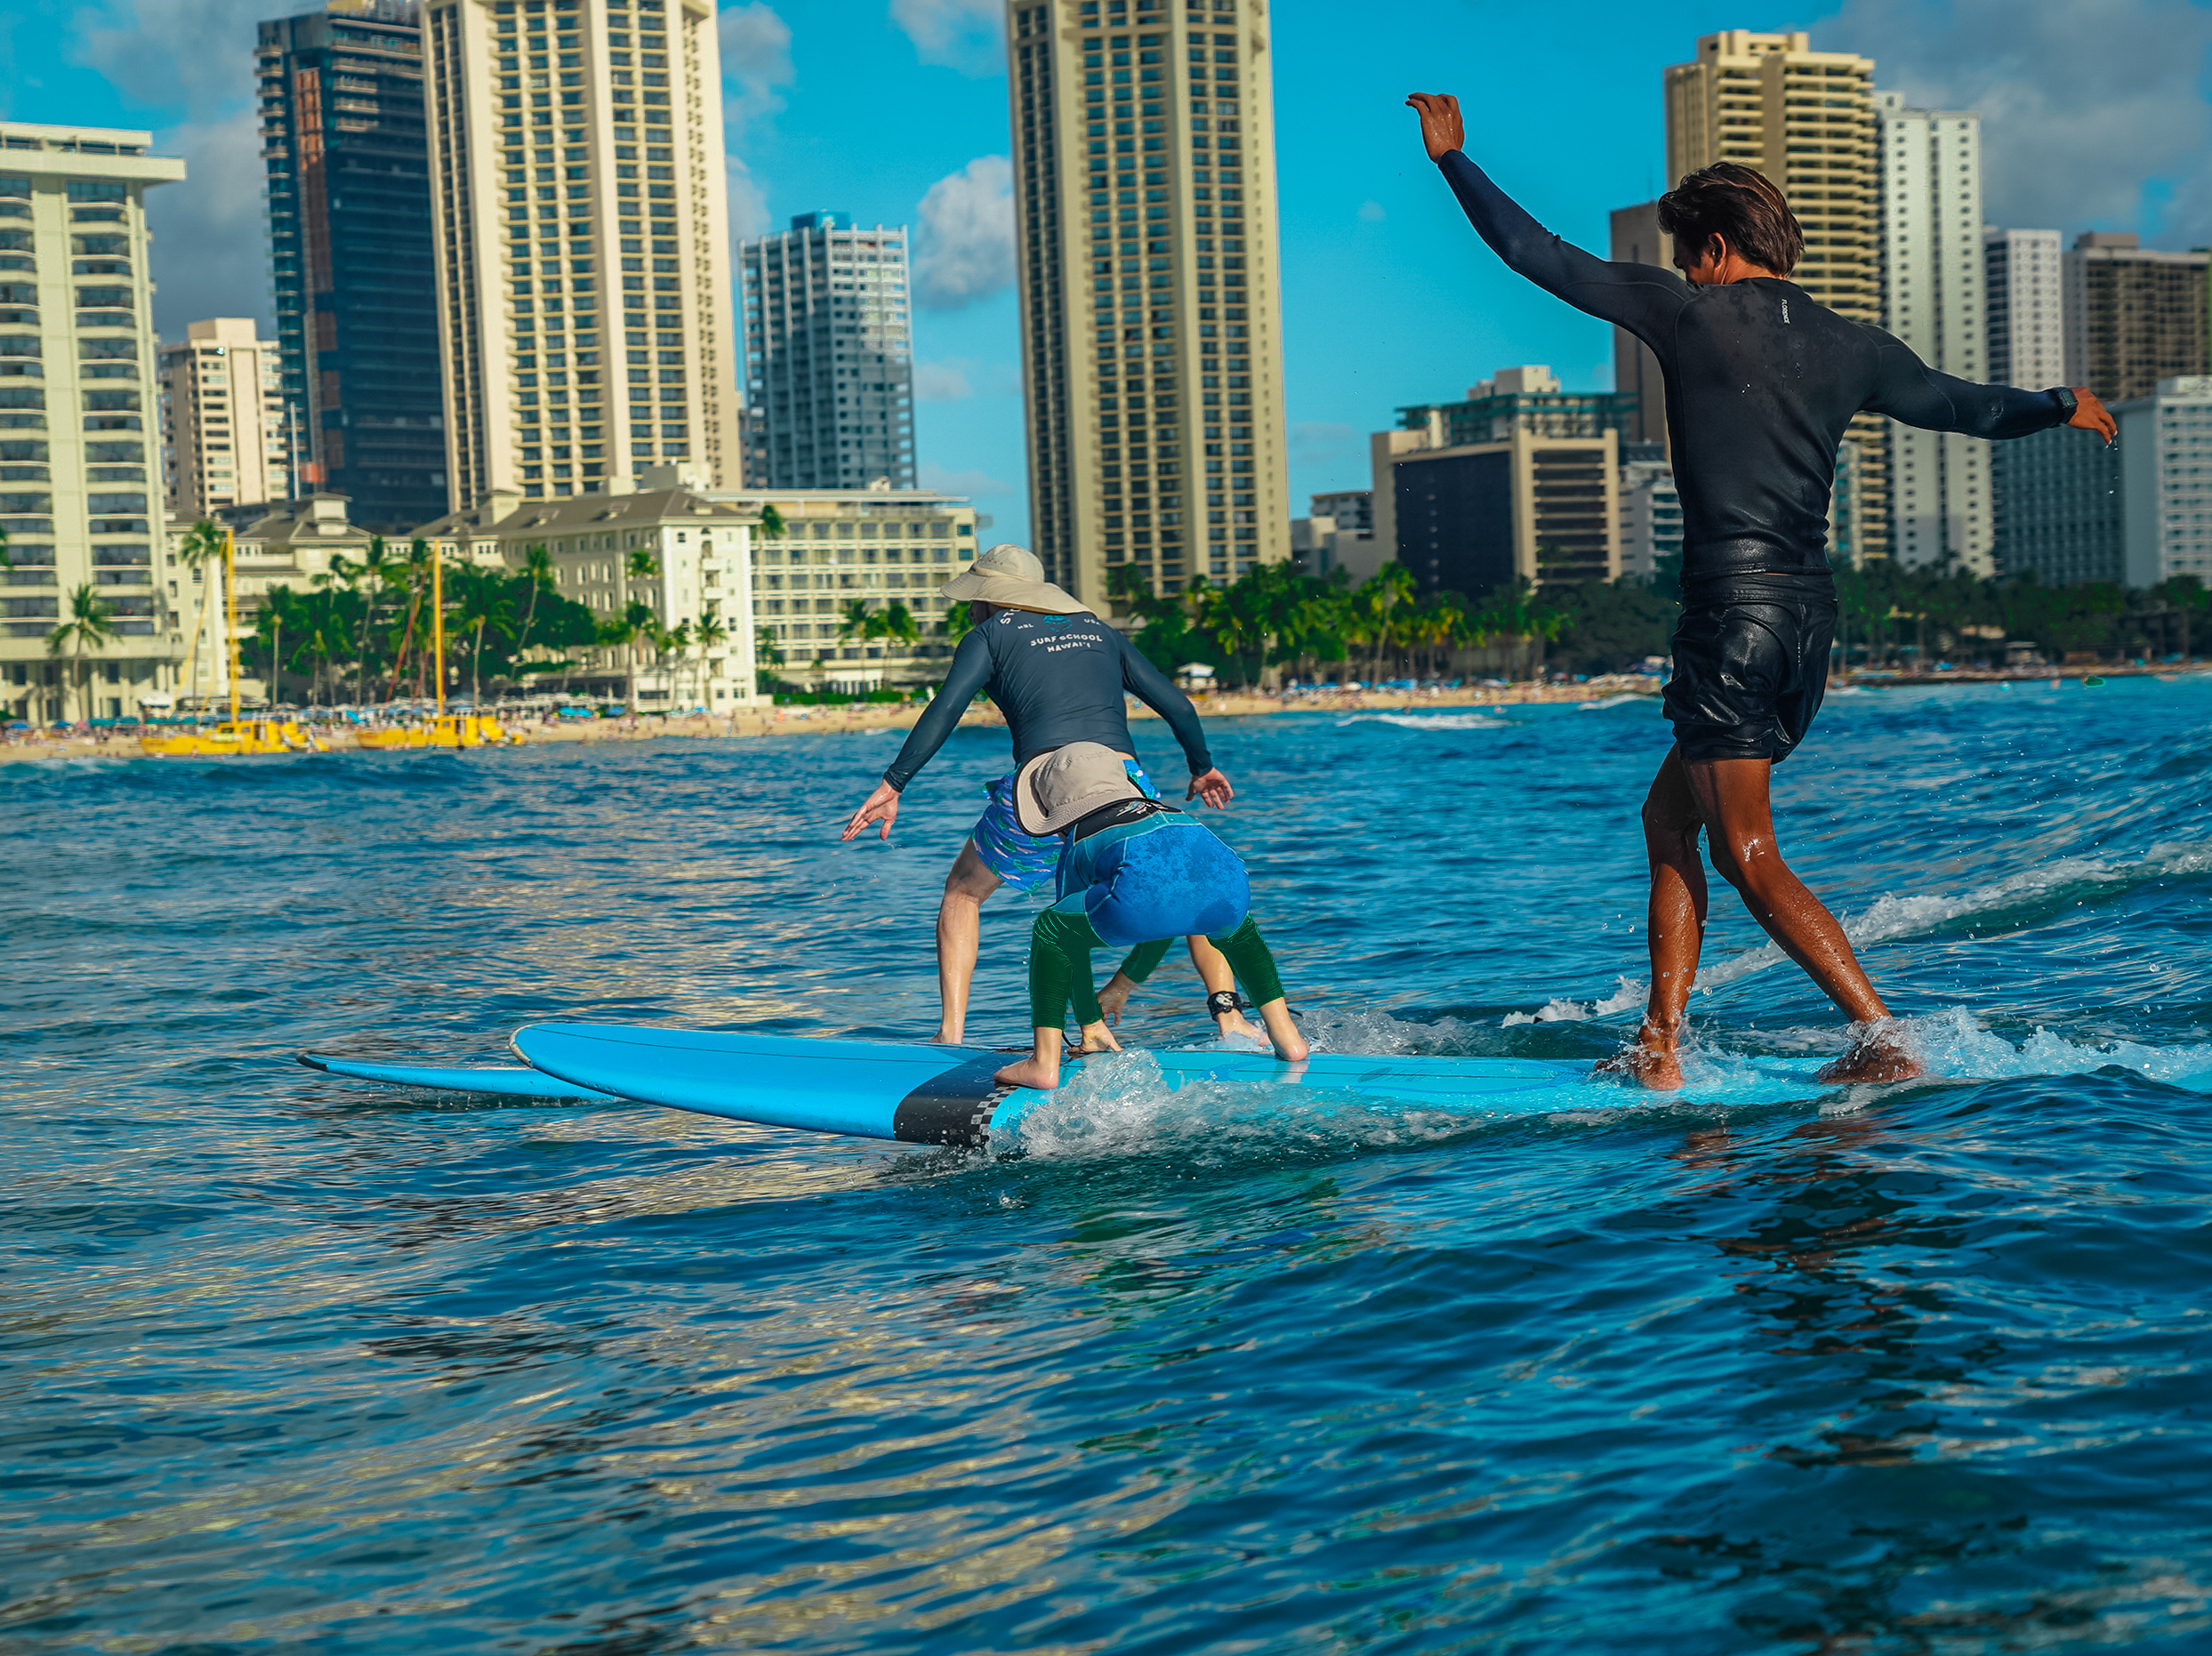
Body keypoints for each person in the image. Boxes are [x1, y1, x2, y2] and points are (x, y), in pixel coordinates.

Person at [1404, 91, 2118, 1089]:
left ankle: (1880, 1040)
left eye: (1686, 249)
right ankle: (1658, 1042)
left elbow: (1538, 255)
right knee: (1669, 818)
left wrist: (1453, 162)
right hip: (1807, 630)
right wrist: (2057, 403)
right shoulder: (1853, 344)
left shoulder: (1688, 313)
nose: (1685, 263)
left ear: (1711, 246)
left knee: (1744, 849)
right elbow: (1966, 406)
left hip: (1728, 619)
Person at [839, 544, 1265, 1046]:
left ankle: (950, 1034)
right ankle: (1230, 1018)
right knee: (1185, 881)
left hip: (1043, 790)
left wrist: (894, 783)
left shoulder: (987, 636)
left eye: (973, 597)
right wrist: (1202, 768)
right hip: (1122, 784)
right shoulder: (1102, 632)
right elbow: (1178, 705)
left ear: (991, 599)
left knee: (963, 892)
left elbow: (946, 709)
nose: (969, 607)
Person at [989, 741, 1307, 1090]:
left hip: (1144, 896)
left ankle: (1043, 1063)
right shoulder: (1164, 812)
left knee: (1051, 930)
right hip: (1228, 877)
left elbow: (1069, 949)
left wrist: (1090, 1023)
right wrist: (1122, 985)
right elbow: (1168, 915)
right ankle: (1287, 1038)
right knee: (1239, 932)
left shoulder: (1079, 839)